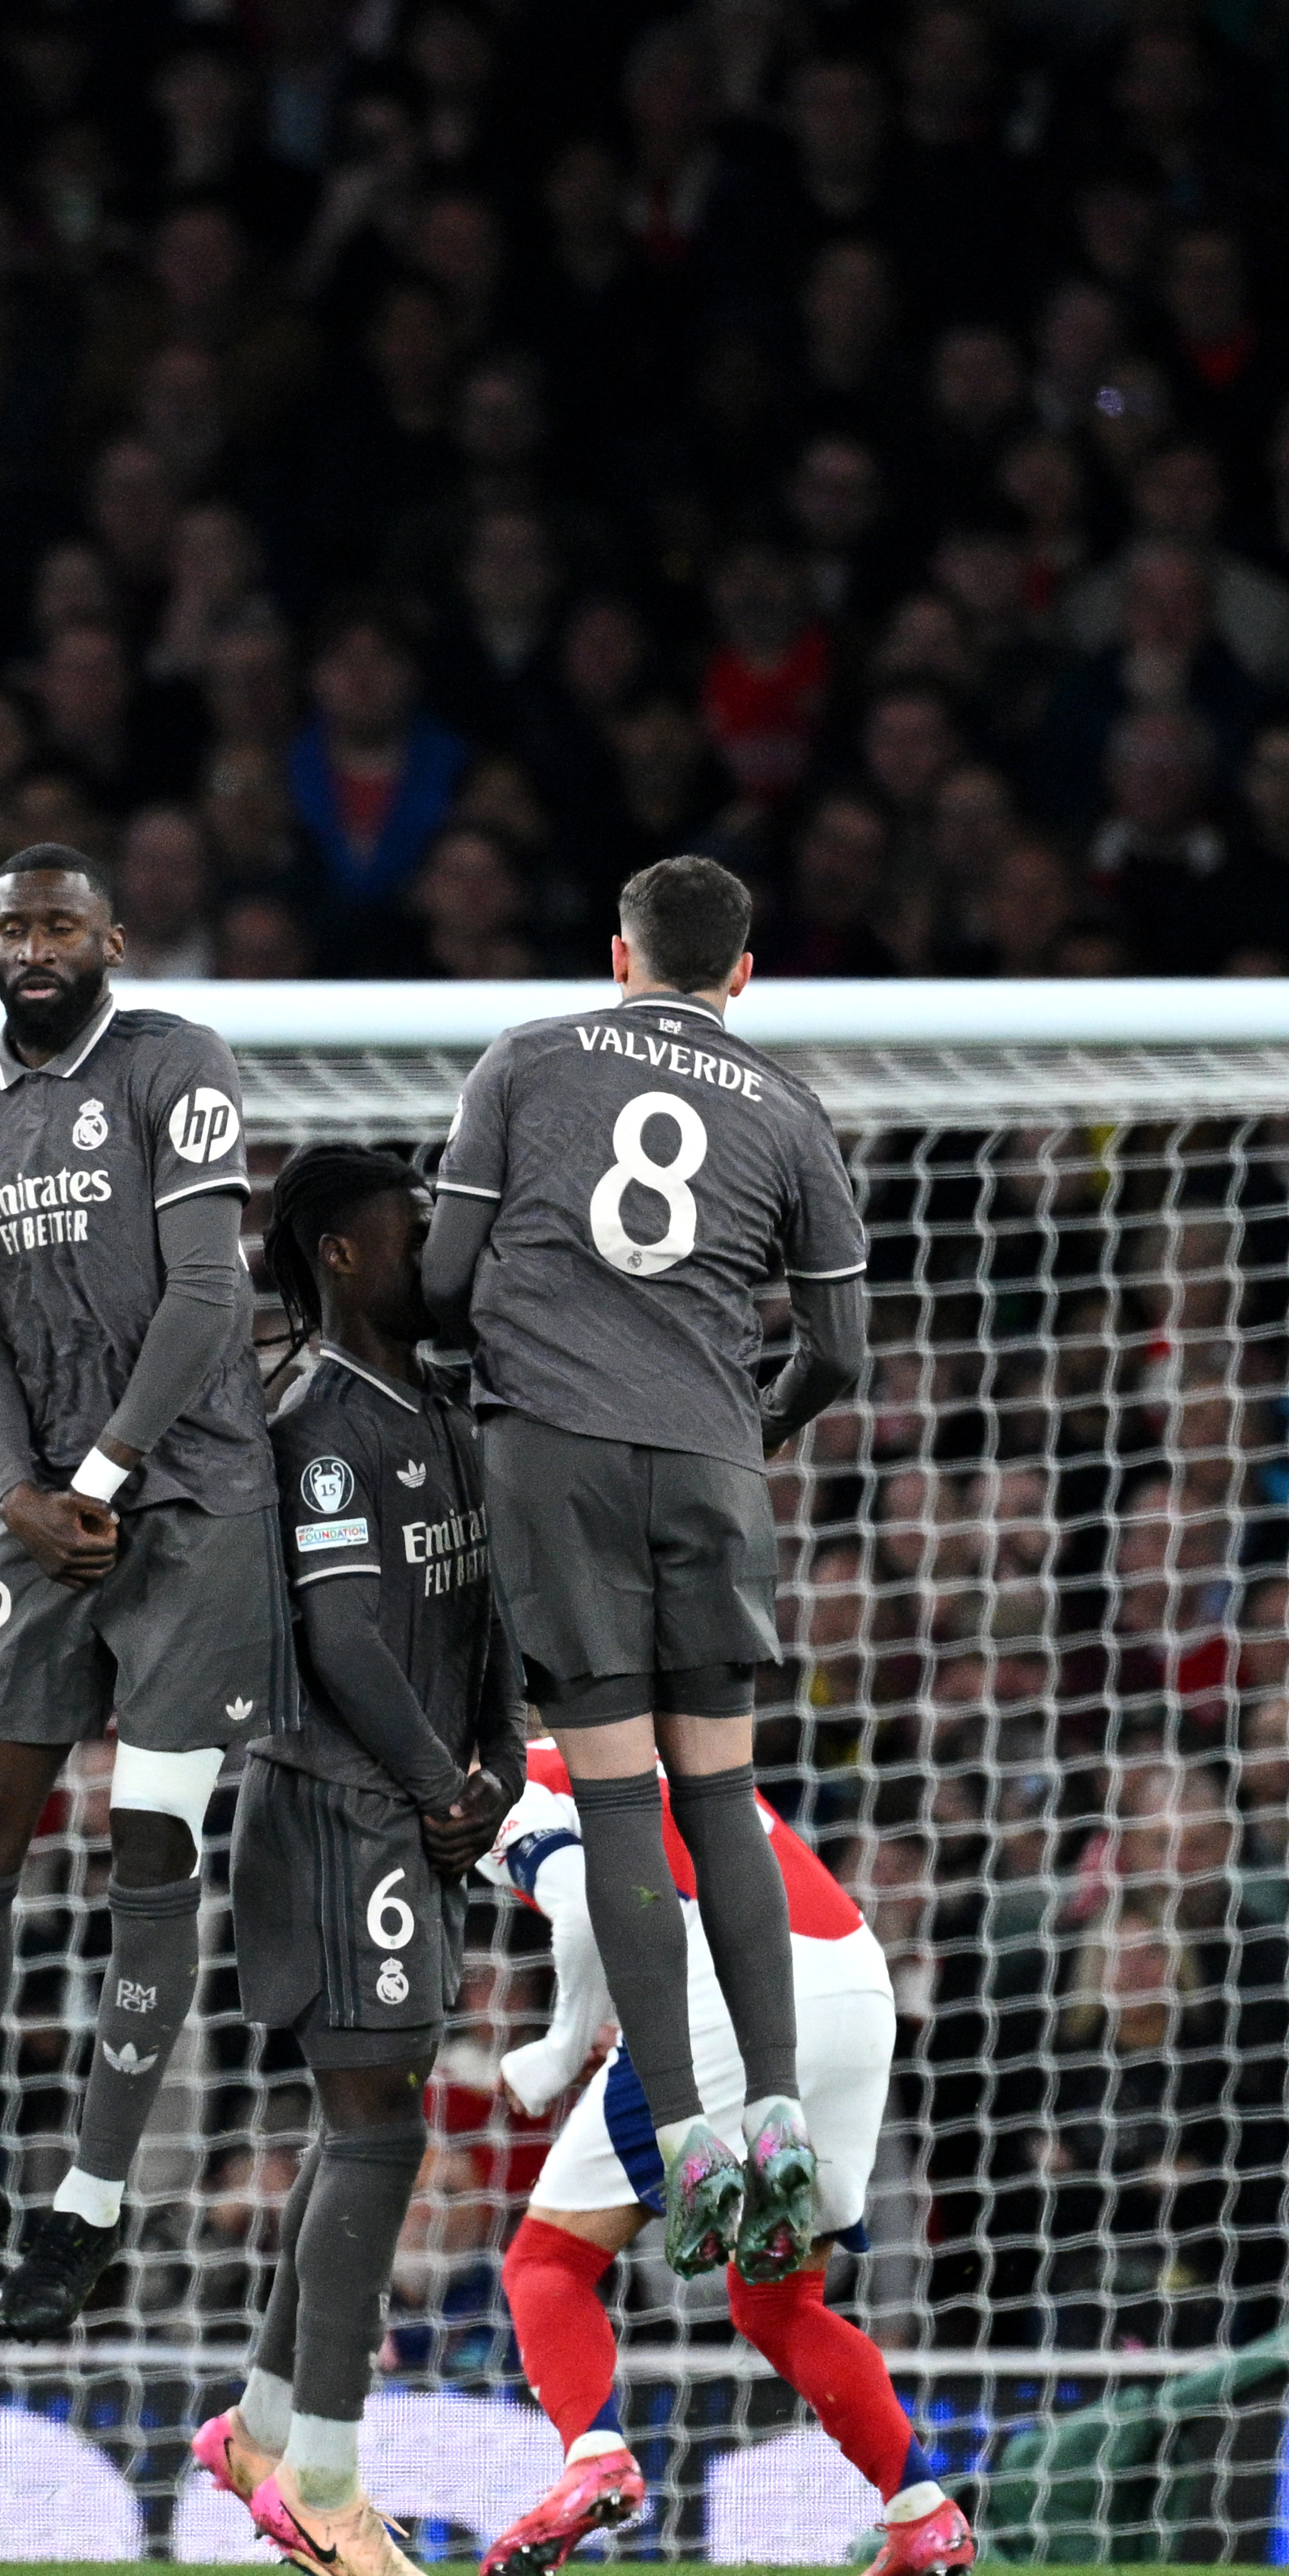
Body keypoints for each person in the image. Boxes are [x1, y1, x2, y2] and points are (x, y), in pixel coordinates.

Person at [418, 852, 869, 2279]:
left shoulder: (527, 1062)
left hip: (555, 1461)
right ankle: (777, 2117)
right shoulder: (790, 1110)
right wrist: (749, 1426)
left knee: (619, 1798)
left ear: (618, 953)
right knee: (720, 1789)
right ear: (742, 975)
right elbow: (840, 1354)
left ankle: (679, 2132)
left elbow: (440, 1280)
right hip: (710, 1467)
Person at [0, 846, 271, 2335]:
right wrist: (20, 1488)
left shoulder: (175, 1062)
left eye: (58, 924)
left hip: (197, 1501)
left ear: (111, 939)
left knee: (148, 1839)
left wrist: (99, 1472)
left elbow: (210, 1293)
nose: (32, 945)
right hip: (45, 1511)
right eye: (9, 924)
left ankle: (90, 2208)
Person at [190, 1145, 512, 2576]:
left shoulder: (436, 1403)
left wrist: (492, 1757)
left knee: (367, 2119)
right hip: (339, 1805)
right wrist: (440, 1780)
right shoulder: (317, 1417)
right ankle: (322, 2479)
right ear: (337, 1251)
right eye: (416, 1227)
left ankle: (263, 2432)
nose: (437, 1251)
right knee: (377, 2121)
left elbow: (477, 1608)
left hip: (418, 1801)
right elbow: (342, 1638)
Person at [462, 1746, 967, 2576]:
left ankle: (595, 2458)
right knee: (779, 2301)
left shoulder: (501, 1781)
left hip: (731, 1998)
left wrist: (553, 2054)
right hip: (854, 1982)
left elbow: (584, 1912)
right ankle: (922, 2513)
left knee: (549, 2259)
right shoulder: (641, 1749)